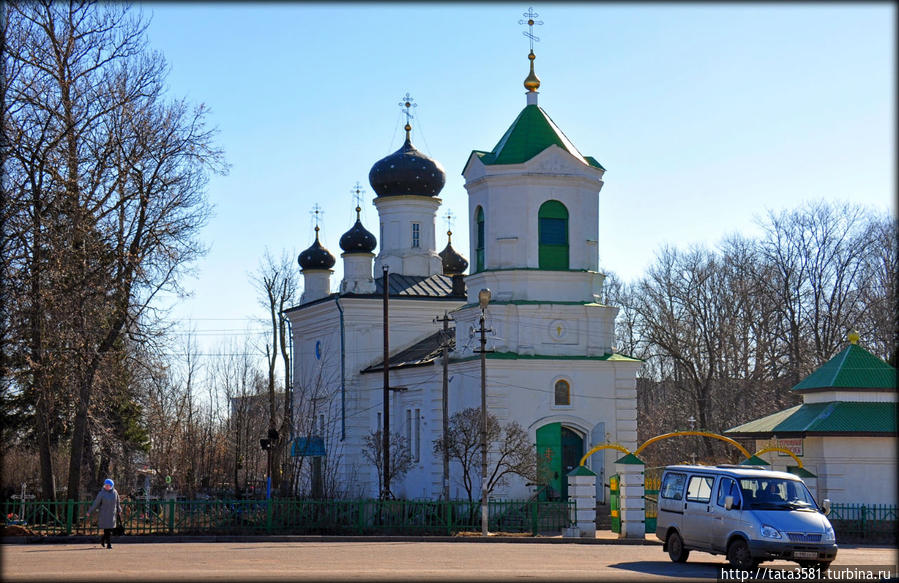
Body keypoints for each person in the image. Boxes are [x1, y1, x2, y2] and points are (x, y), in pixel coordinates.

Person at [84, 479, 121, 549]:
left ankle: (103, 539)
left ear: (112, 486)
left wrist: (119, 509)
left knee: (110, 529)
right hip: (104, 514)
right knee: (107, 529)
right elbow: (96, 503)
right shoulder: (101, 493)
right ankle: (109, 544)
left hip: (112, 514)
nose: (107, 487)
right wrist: (89, 511)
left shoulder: (115, 492)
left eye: (109, 485)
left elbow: (118, 502)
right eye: (106, 485)